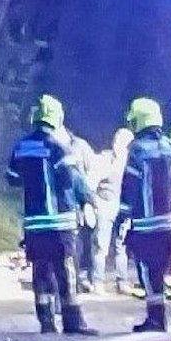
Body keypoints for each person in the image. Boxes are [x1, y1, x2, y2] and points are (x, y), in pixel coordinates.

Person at [7, 94, 96, 335]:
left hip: (35, 223)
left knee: (40, 270)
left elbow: (12, 178)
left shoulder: (21, 147)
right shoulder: (59, 147)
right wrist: (88, 200)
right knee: (66, 270)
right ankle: (72, 321)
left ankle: (46, 322)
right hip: (60, 222)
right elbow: (72, 180)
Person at [120, 99, 171, 333]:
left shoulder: (137, 149)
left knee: (147, 272)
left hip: (145, 224)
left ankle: (155, 319)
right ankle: (159, 318)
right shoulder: (170, 146)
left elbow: (130, 185)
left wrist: (123, 215)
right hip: (167, 223)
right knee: (160, 271)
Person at [92, 127, 131, 291]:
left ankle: (122, 282)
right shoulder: (104, 159)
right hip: (104, 204)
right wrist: (92, 204)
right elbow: (92, 181)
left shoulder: (130, 160)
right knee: (101, 245)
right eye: (117, 141)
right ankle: (97, 282)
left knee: (121, 245)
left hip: (122, 207)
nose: (118, 145)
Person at [65, 126, 101, 294]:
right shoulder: (56, 146)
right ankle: (75, 281)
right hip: (68, 204)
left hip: (80, 203)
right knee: (73, 246)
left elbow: (93, 169)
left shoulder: (80, 146)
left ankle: (85, 277)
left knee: (85, 244)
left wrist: (89, 197)